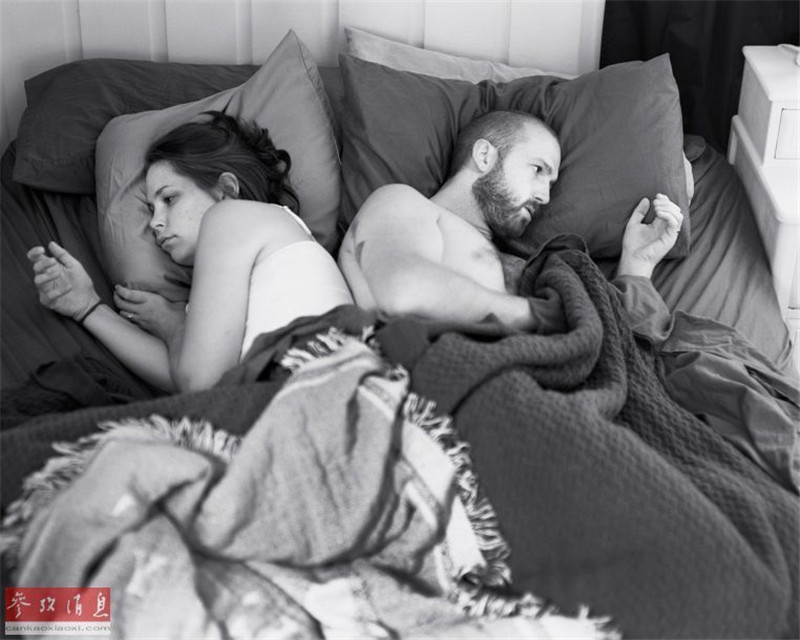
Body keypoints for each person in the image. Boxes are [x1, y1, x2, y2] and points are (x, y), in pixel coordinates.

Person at [28, 111, 353, 393]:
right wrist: (87, 307)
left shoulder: (232, 217)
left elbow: (200, 382)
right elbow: (182, 375)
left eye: (169, 199)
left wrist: (172, 325)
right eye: (151, 208)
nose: (155, 222)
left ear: (226, 190)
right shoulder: (230, 274)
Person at [338, 110, 683, 328]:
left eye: (551, 184)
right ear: (484, 155)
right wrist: (547, 317)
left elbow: (620, 334)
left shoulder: (520, 264)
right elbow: (401, 292)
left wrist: (637, 267)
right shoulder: (402, 202)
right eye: (538, 169)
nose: (545, 197)